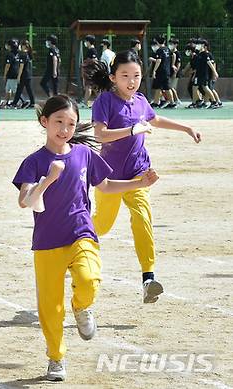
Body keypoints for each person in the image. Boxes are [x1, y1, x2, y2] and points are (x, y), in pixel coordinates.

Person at [14, 94, 159, 382]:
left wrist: (138, 183)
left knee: (90, 278)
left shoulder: (83, 154)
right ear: (45, 122)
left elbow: (104, 185)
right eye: (58, 122)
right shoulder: (34, 161)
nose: (64, 129)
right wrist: (47, 181)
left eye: (71, 124)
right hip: (47, 242)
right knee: (50, 308)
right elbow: (24, 200)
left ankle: (81, 307)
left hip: (81, 233)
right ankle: (56, 358)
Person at [83, 50, 202, 303]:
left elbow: (155, 119)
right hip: (110, 177)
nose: (131, 81)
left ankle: (148, 278)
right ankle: (74, 236)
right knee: (101, 225)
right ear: (114, 77)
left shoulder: (140, 100)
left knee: (142, 218)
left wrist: (187, 128)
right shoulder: (105, 101)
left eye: (136, 75)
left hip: (139, 174)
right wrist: (132, 129)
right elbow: (101, 135)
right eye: (125, 75)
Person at [149, 36, 175, 108]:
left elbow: (159, 60)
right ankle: (157, 102)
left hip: (161, 71)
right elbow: (173, 55)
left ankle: (171, 103)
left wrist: (154, 70)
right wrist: (172, 65)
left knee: (163, 87)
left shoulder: (159, 50)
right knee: (161, 87)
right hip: (167, 71)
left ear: (157, 42)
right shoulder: (167, 49)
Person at [12, 39, 35, 109]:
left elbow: (21, 66)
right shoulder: (27, 54)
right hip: (28, 75)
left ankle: (14, 103)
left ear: (23, 46)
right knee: (27, 89)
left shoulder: (23, 54)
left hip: (24, 75)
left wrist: (19, 76)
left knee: (19, 89)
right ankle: (32, 103)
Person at [1, 39, 20, 108]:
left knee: (14, 90)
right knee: (8, 89)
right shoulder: (18, 54)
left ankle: (18, 103)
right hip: (15, 74)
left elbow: (7, 65)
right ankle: (6, 102)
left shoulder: (10, 54)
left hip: (12, 75)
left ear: (10, 46)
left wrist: (4, 74)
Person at [80, 35, 98, 108]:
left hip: (90, 72)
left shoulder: (92, 50)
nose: (85, 43)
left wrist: (86, 63)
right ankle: (102, 101)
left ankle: (85, 103)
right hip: (89, 72)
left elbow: (95, 61)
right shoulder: (90, 50)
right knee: (94, 88)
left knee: (89, 87)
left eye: (86, 41)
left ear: (89, 42)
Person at [167, 38, 181, 105]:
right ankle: (172, 100)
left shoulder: (177, 53)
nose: (170, 45)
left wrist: (175, 73)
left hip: (174, 73)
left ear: (176, 45)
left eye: (171, 44)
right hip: (170, 72)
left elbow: (178, 64)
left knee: (171, 87)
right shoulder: (170, 52)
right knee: (170, 87)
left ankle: (177, 100)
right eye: (169, 44)